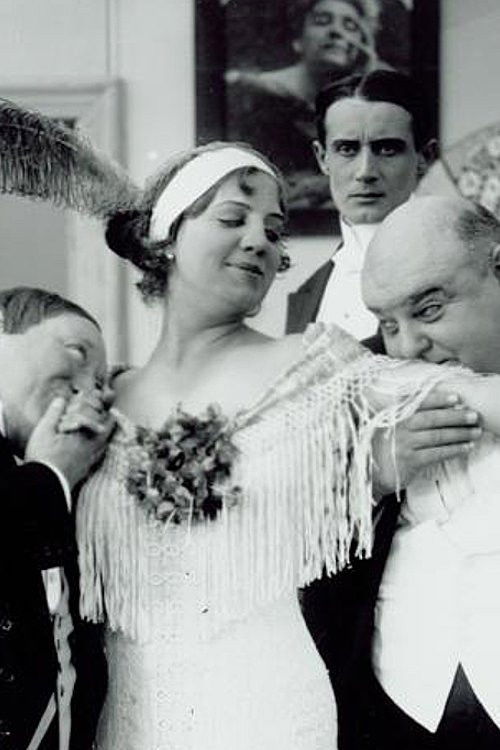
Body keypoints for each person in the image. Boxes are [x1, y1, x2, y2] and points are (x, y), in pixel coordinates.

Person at [72, 142, 497, 750]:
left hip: (274, 716)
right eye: (233, 218)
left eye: (274, 231)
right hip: (131, 724)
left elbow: (478, 397)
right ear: (164, 237)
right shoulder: (103, 400)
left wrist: (364, 475)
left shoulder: (317, 366)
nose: (259, 242)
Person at [314, 194, 500, 750]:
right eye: (388, 324)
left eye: (430, 309)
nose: (409, 346)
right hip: (398, 707)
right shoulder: (364, 371)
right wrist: (371, 479)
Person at [0, 287, 115, 750]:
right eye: (75, 354)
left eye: (101, 381)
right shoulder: (46, 480)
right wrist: (50, 475)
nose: (91, 390)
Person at [286, 68, 435, 339]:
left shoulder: (458, 271)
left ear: (424, 157)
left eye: (387, 149)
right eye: (347, 149)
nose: (365, 172)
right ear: (322, 158)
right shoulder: (309, 291)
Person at [226, 0, 380, 208]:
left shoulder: (354, 101)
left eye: (350, 26)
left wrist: (369, 73)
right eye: (322, 21)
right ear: (298, 39)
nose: (336, 31)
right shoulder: (254, 93)